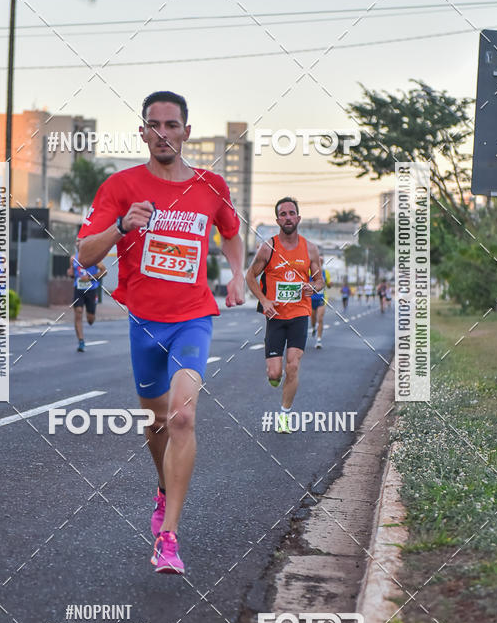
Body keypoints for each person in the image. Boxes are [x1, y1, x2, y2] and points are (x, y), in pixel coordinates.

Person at [78, 91, 244, 574]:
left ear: (186, 132)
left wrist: (235, 275)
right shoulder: (121, 186)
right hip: (144, 322)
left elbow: (230, 231)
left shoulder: (211, 186)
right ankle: (164, 487)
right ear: (142, 131)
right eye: (154, 125)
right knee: (155, 424)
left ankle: (168, 539)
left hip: (193, 316)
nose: (163, 133)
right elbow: (86, 254)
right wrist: (122, 229)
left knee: (183, 418)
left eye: (172, 125)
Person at [246, 197, 322, 434]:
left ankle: (284, 417)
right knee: (275, 372)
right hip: (276, 316)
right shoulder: (268, 247)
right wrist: (264, 300)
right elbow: (250, 276)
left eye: (292, 213)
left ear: (298, 217)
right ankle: (274, 377)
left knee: (293, 365)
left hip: (300, 313)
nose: (288, 217)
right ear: (277, 219)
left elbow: (319, 279)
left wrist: (314, 287)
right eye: (283, 214)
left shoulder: (310, 249)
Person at [66, 239, 106, 351]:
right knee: (78, 313)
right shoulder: (73, 258)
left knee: (90, 320)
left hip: (91, 289)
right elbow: (73, 274)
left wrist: (90, 278)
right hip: (78, 289)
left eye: (80, 241)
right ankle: (81, 341)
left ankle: (92, 311)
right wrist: (70, 274)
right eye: (77, 241)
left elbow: (104, 271)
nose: (78, 243)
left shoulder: (93, 257)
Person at [310, 254, 330, 349]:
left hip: (322, 298)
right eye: (319, 261)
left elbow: (329, 285)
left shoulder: (326, 273)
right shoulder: (309, 271)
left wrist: (330, 284)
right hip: (311, 299)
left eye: (322, 261)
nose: (320, 263)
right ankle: (313, 327)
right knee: (313, 319)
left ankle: (318, 340)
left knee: (320, 318)